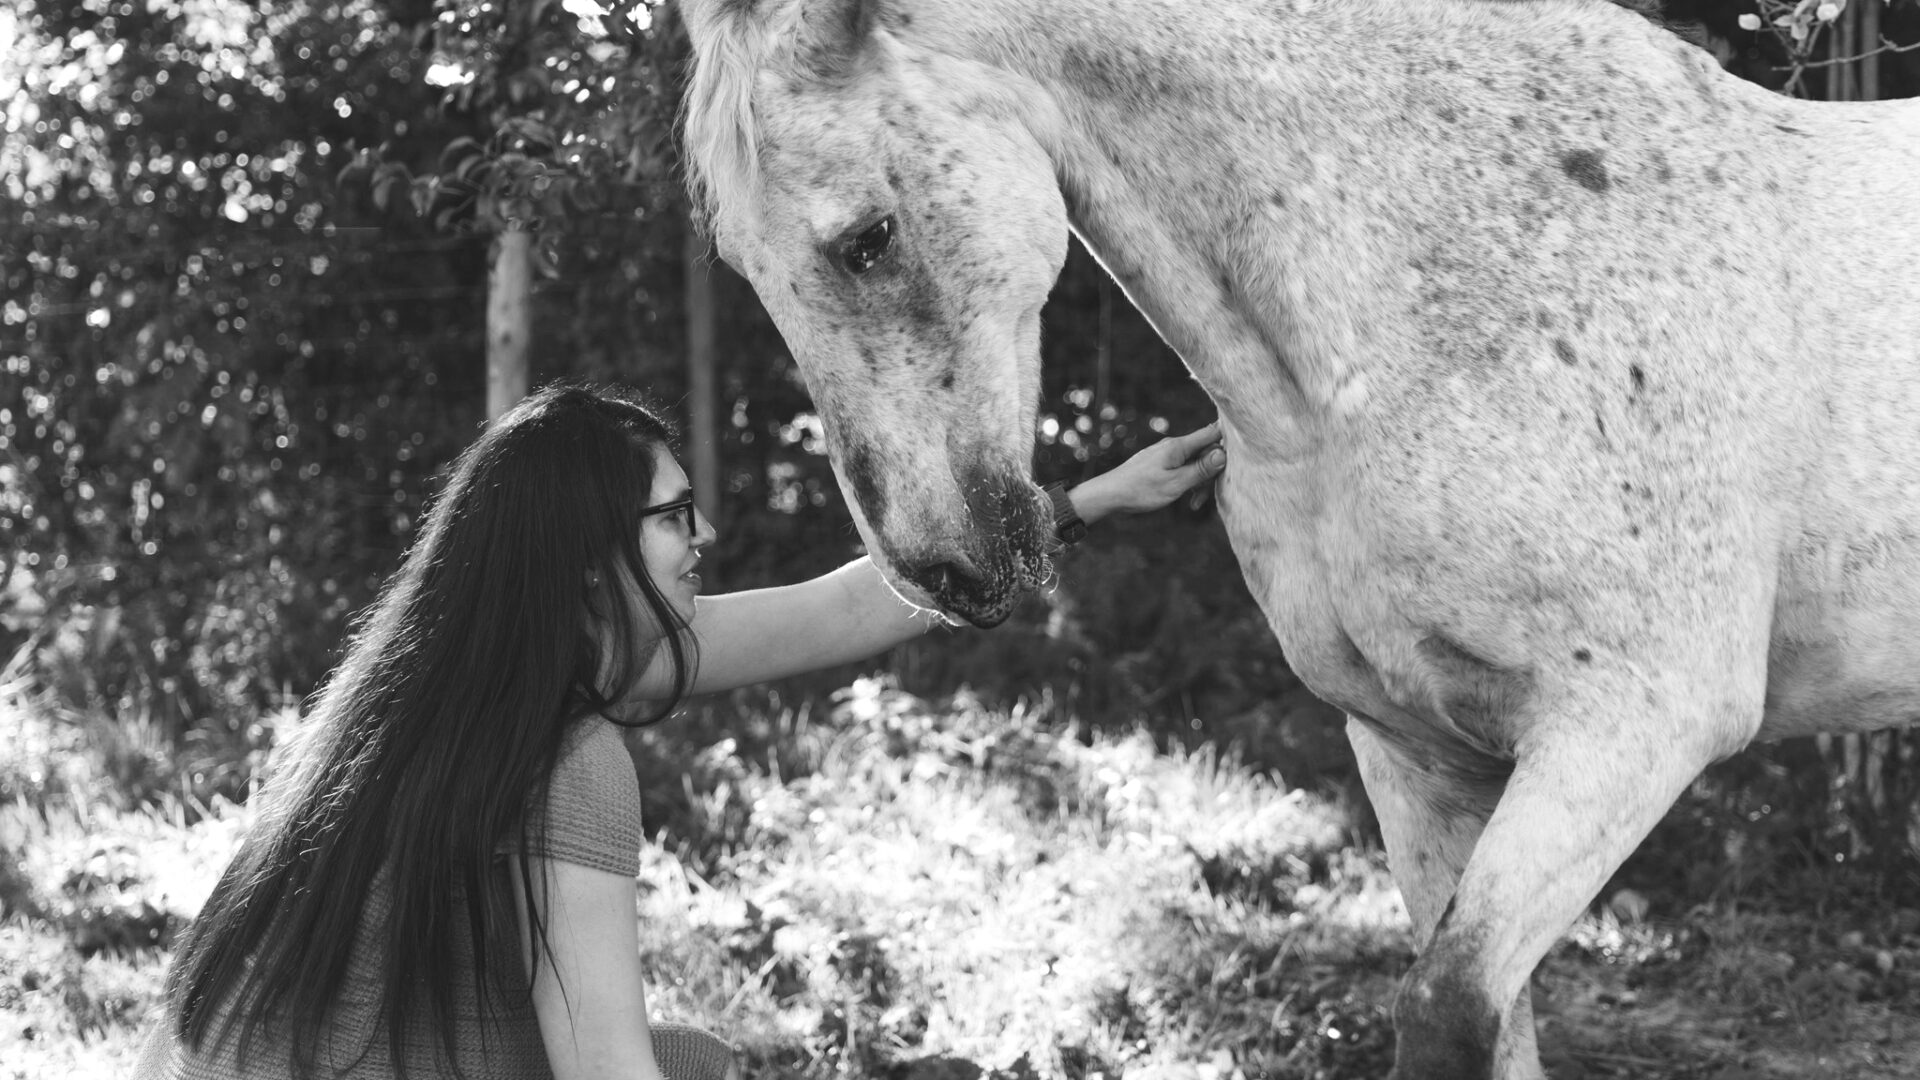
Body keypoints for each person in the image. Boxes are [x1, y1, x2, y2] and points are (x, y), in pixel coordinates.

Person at [135, 382, 1227, 1080]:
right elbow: (606, 1068)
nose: (705, 533)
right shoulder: (568, 758)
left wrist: (1084, 501)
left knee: (698, 1060)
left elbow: (841, 609)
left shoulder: (435, 694)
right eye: (671, 515)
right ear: (581, 551)